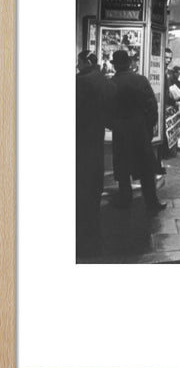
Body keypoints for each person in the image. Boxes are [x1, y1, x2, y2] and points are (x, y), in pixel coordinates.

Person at [110, 50, 167, 212]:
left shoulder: (112, 83)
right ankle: (152, 202)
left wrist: (115, 125)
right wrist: (147, 128)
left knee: (123, 168)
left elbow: (107, 110)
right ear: (129, 64)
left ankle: (124, 200)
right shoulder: (140, 80)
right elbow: (152, 106)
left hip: (121, 131)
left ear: (115, 66)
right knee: (146, 169)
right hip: (139, 129)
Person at [76, 51, 116, 256]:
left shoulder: (81, 82)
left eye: (78, 62)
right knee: (92, 176)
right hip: (96, 135)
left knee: (81, 177)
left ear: (85, 62)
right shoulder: (103, 80)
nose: (77, 66)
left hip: (81, 136)